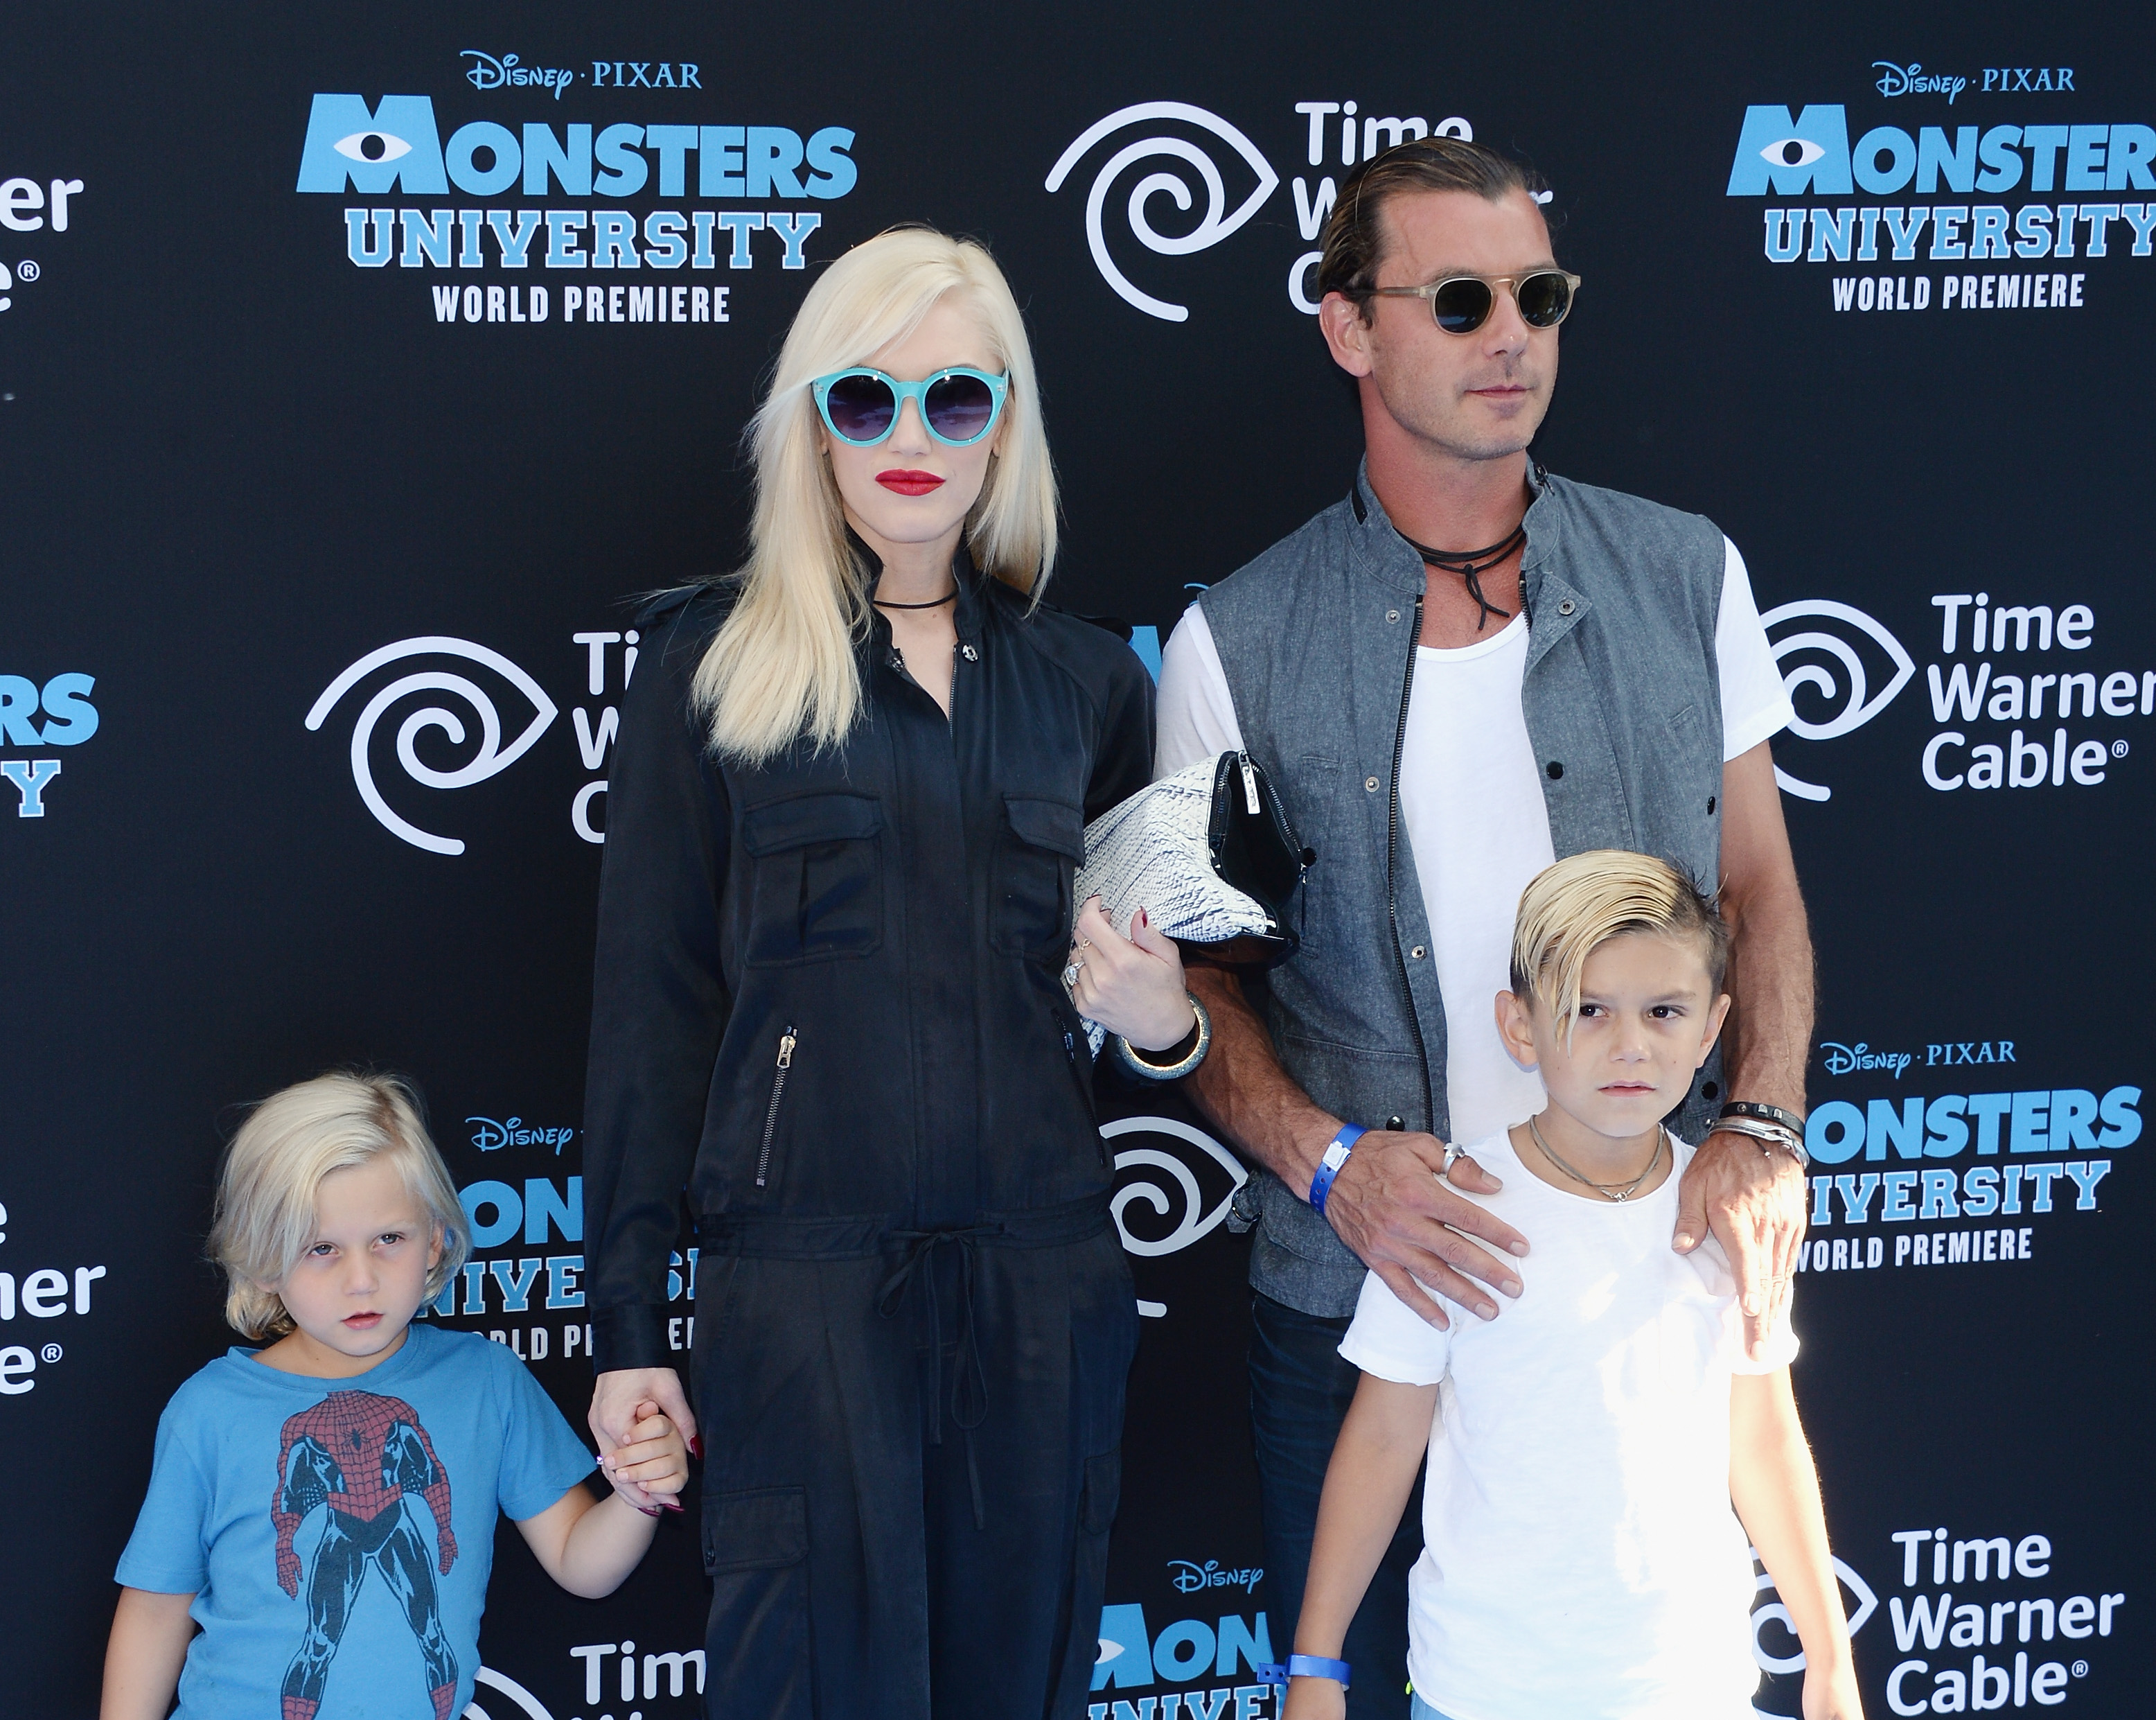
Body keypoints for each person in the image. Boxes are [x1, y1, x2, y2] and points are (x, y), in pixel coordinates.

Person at [1154, 136, 1816, 1712]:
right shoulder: (1229, 639)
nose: (1507, 331)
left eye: (1535, 294)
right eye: (1456, 298)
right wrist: (1332, 1163)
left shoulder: (1682, 575)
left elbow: (1761, 889)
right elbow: (1192, 985)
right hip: (1350, 1312)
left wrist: (1769, 1124)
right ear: (1346, 326)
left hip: (1637, 1288)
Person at [578, 226, 1201, 1720]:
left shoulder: (1090, 691)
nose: (910, 438)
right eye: (866, 399)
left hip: (1040, 1284)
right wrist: (623, 1337)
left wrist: (1159, 1024)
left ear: (1007, 421)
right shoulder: (709, 666)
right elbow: (649, 1012)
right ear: (813, 424)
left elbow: (1165, 1005)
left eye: (955, 399)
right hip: (804, 1293)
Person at [1279, 852, 1859, 1720]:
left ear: (1712, 1028)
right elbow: (1380, 1445)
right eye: (1587, 1010)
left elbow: (1764, 1441)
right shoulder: (1449, 1211)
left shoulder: (1728, 1215)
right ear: (1519, 1027)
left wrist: (1827, 1655)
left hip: (1693, 1689)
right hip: (1482, 1694)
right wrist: (1316, 1664)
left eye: (1665, 1010)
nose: (1630, 1044)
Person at [101, 1071, 686, 1720]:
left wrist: (638, 1493)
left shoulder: (485, 1382)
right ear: (266, 1259)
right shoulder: (209, 1411)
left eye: (389, 1239)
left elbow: (583, 1562)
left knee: (428, 1632)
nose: (362, 1281)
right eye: (321, 1248)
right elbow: (154, 1611)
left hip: (394, 1528)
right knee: (319, 1642)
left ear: (435, 1239)